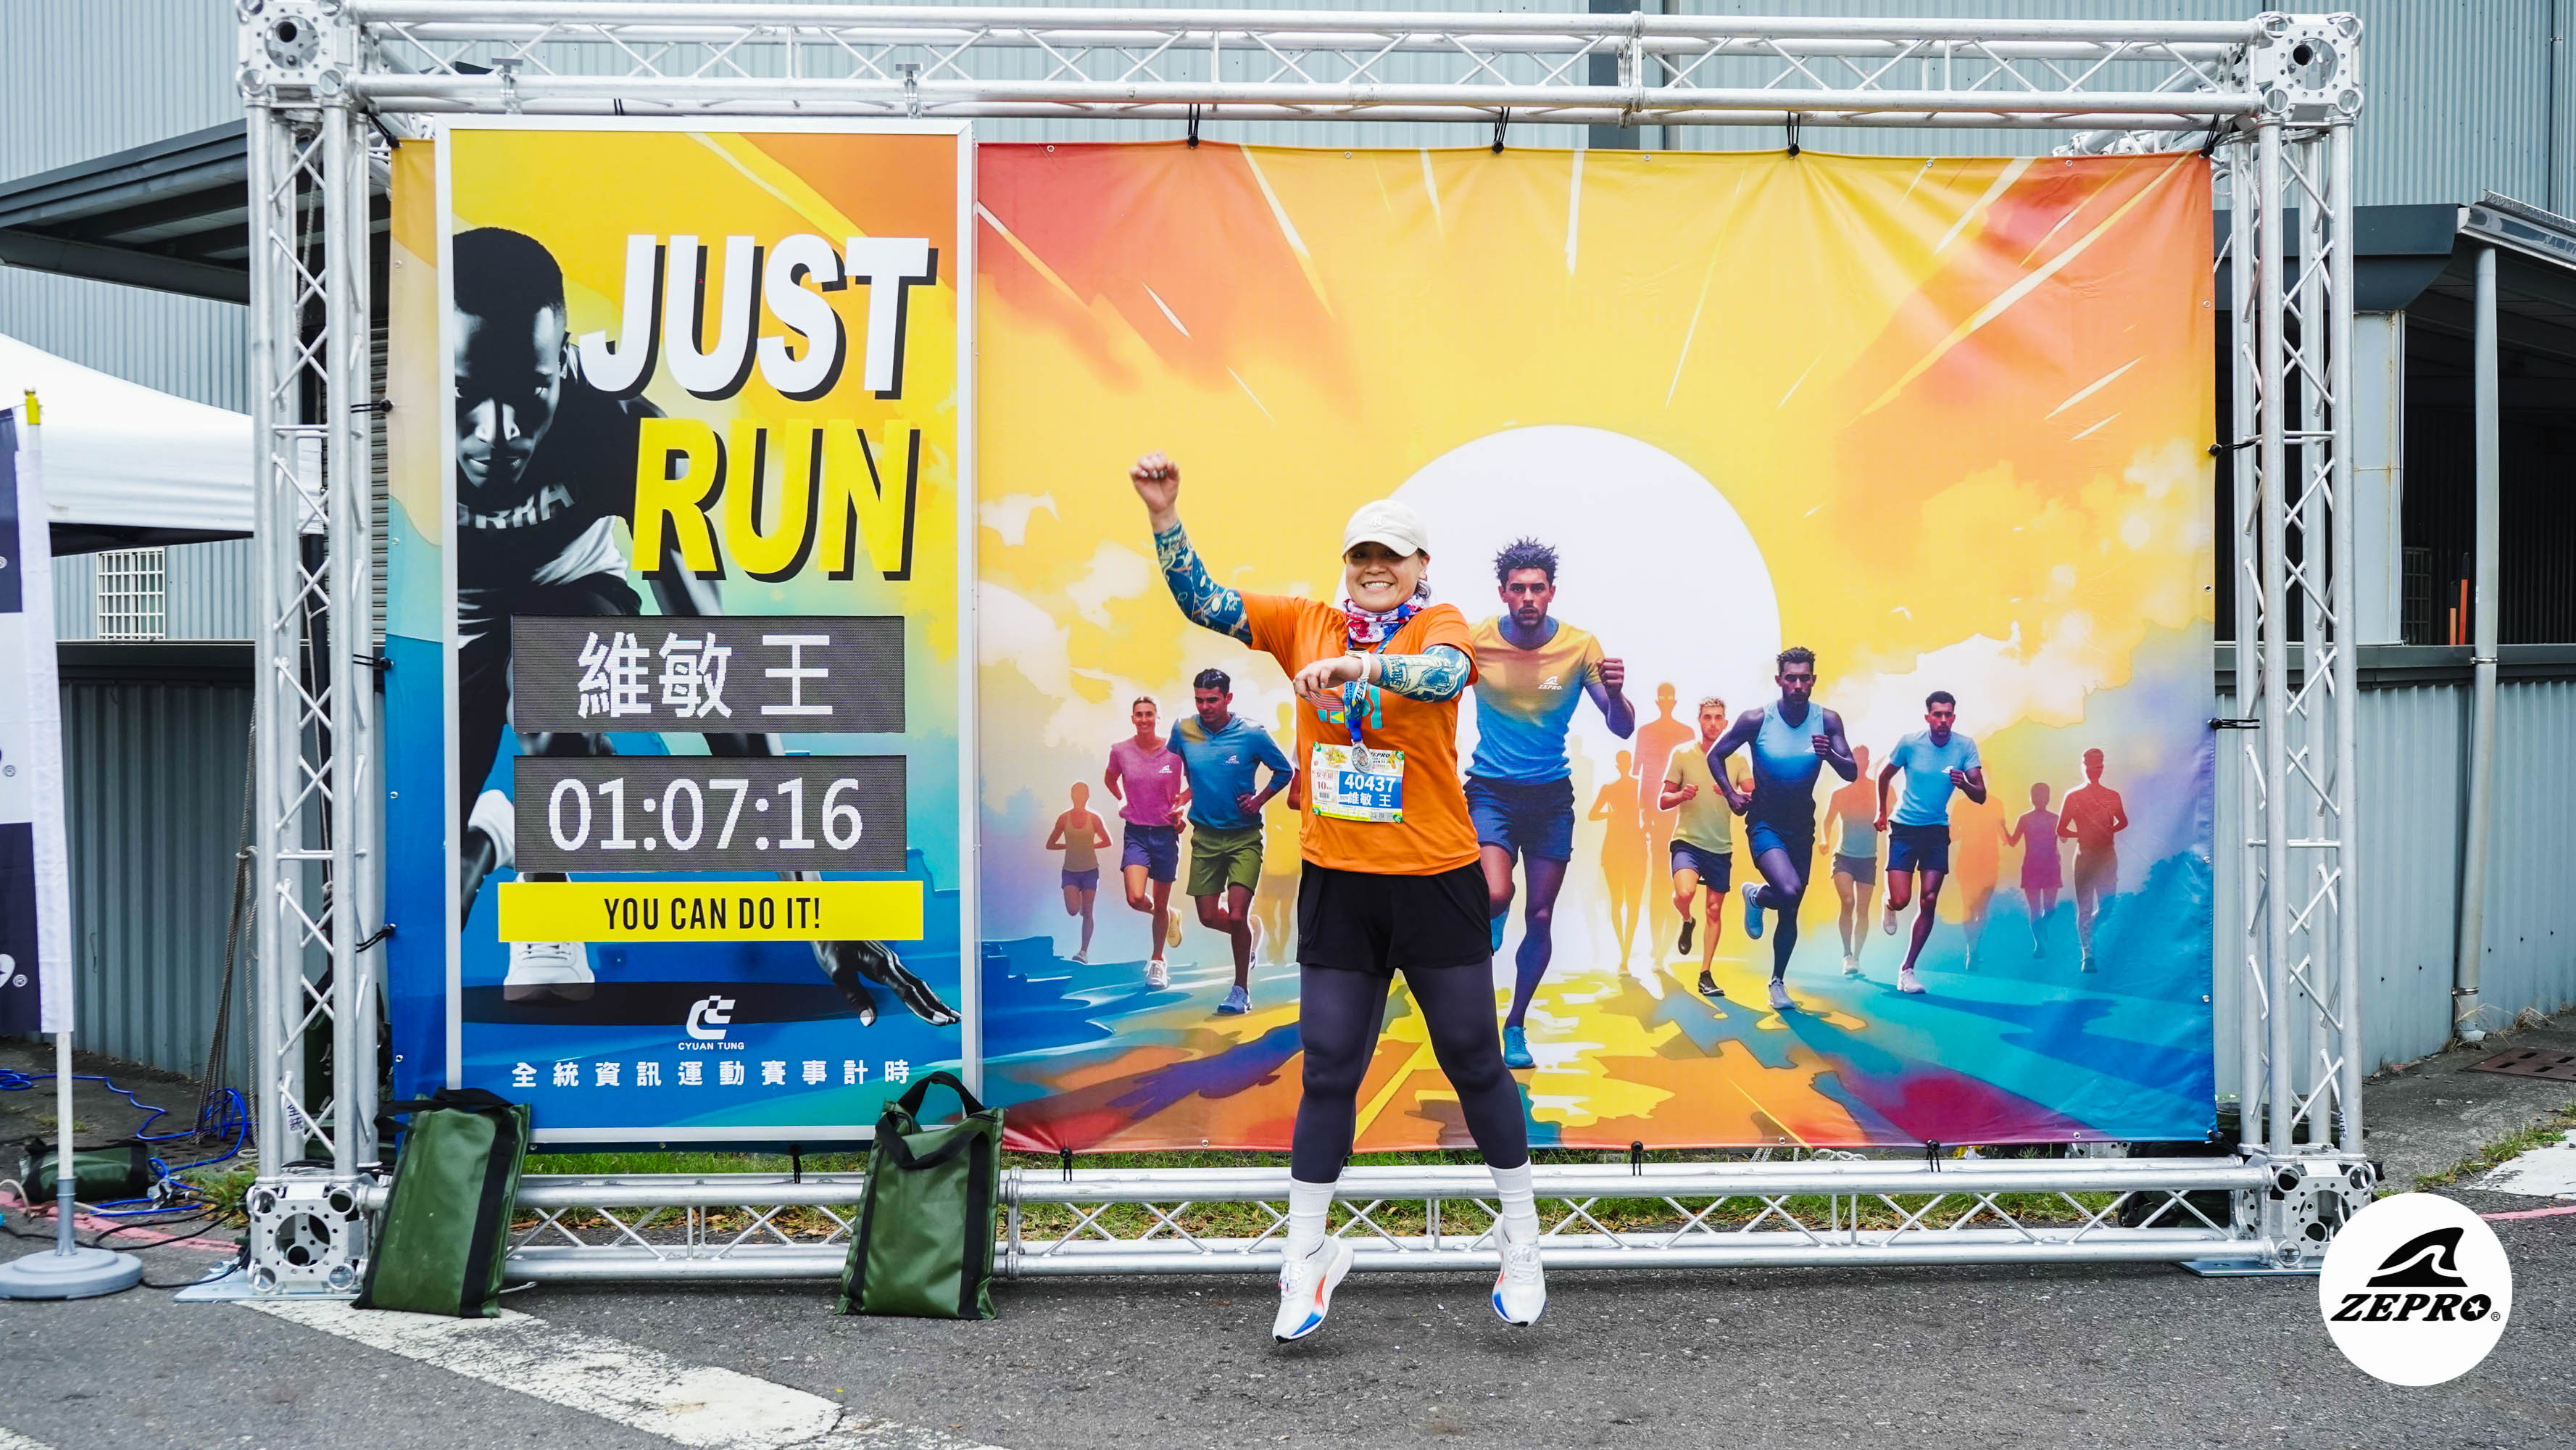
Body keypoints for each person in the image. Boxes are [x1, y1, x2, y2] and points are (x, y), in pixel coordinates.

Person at [446, 227, 952, 1026]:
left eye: (529, 390)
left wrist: (814, 906)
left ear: (564, 361)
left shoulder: (622, 430)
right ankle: (500, 830)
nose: (497, 431)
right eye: (464, 394)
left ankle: (546, 894)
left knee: (553, 679)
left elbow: (714, 664)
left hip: (573, 590)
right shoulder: (407, 440)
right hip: (466, 621)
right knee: (441, 877)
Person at [1133, 451, 1544, 1340]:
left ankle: (1520, 1239)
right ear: (1345, 561)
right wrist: (1165, 516)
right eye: (1361, 553)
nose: (1373, 567)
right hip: (1339, 884)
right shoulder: (1304, 622)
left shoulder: (1439, 621)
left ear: (1420, 565)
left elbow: (1443, 674)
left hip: (1433, 880)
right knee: (1326, 1068)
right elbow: (1204, 601)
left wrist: (1360, 672)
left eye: (1390, 555)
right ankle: (1306, 1257)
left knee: (1474, 1059)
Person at [1467, 539, 1634, 1070]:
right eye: (1518, 589)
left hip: (1550, 798)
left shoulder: (1581, 647)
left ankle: (1515, 1023)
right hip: (1491, 790)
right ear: (1503, 593)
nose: (1528, 598)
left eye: (1537, 589)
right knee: (1496, 891)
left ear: (1551, 592)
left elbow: (1621, 727)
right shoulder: (1475, 640)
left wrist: (1618, 692)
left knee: (1540, 916)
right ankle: (1492, 915)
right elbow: (1432, 694)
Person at [1709, 647, 1857, 1014]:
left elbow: (1851, 771)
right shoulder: (1756, 719)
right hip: (1765, 822)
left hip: (1801, 826)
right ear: (1779, 680)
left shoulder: (1828, 721)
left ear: (1813, 680)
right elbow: (1716, 755)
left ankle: (1776, 979)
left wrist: (1829, 754)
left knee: (1791, 906)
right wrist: (1731, 794)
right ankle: (1761, 899)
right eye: (1791, 678)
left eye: (1805, 678)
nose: (1798, 685)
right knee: (1789, 890)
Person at [1169, 668, 1297, 1014]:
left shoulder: (1252, 733)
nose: (1205, 707)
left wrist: (1259, 800)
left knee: (1238, 915)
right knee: (1209, 917)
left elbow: (1284, 771)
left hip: (1244, 838)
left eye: (1212, 700)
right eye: (1199, 700)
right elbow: (1174, 769)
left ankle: (1240, 991)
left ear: (1228, 698)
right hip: (1205, 838)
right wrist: (1180, 802)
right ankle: (1249, 936)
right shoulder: (1183, 730)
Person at [1874, 690, 1986, 995]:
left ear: (1954, 717)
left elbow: (1981, 795)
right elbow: (1884, 776)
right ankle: (1889, 903)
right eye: (1938, 715)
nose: (1943, 720)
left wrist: (1964, 783)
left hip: (1936, 830)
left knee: (1929, 899)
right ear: (1928, 717)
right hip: (1904, 828)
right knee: (1901, 900)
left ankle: (1907, 969)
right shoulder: (1910, 743)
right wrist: (1881, 811)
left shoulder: (1965, 746)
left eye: (1948, 715)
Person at [1659, 696, 1742, 1000]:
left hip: (1720, 846)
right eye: (1707, 717)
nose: (1712, 723)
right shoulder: (1682, 754)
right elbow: (1663, 800)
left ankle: (1705, 974)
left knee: (1714, 910)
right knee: (1685, 894)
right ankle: (1687, 920)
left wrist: (1731, 792)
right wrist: (1682, 795)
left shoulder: (1737, 759)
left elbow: (1753, 797)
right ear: (1699, 721)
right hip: (1688, 841)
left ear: (1726, 723)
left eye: (1718, 717)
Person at [1105, 697, 1189, 989]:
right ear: (1132, 718)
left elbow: (1195, 782)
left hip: (1166, 834)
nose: (1144, 719)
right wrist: (1122, 799)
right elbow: (1110, 779)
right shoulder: (1120, 751)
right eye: (1139, 715)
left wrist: (1181, 806)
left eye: (1149, 714)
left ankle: (1157, 961)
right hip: (1137, 833)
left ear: (1157, 717)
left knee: (1160, 901)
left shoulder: (1174, 752)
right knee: (1136, 898)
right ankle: (1168, 915)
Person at [1632, 683, 1696, 970]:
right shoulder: (1646, 733)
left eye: (1671, 696)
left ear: (1675, 700)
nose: (1667, 700)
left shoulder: (1687, 733)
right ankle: (1657, 946)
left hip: (1683, 816)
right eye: (1663, 696)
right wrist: (1644, 814)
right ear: (1658, 701)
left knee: (1679, 881)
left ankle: (1665, 946)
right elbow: (1642, 776)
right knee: (1659, 881)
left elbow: (1696, 774)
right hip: (1657, 818)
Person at [2057, 749, 2130, 972]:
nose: (2093, 770)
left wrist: (2109, 829)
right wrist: (2082, 833)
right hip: (2085, 856)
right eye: (2089, 765)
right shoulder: (2074, 797)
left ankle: (2091, 933)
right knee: (2085, 907)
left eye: (2097, 765)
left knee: (2108, 906)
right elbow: (2061, 829)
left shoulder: (2112, 796)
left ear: (2102, 768)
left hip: (2107, 855)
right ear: (2083, 767)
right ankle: (2087, 955)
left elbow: (2123, 821)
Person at [1587, 750, 1648, 971]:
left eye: (1625, 763)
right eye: (1622, 763)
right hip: (1617, 849)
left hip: (1633, 848)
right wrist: (1610, 815)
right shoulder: (1611, 788)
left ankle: (1626, 951)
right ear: (1621, 765)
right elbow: (1592, 815)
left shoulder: (1636, 787)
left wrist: (1645, 828)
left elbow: (1649, 812)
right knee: (1619, 901)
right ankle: (1624, 950)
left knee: (1629, 902)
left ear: (1626, 764)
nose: (1624, 766)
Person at [1820, 743, 1878, 977]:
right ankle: (1846, 954)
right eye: (1856, 759)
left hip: (1868, 858)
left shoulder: (1878, 791)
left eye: (1864, 759)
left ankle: (1857, 958)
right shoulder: (1840, 793)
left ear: (1868, 762)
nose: (1860, 763)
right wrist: (1824, 840)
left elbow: (1894, 815)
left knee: (1863, 910)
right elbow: (1827, 821)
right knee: (1848, 901)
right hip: (1844, 856)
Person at [1044, 782, 1113, 964]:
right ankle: (1080, 901)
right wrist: (1069, 845)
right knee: (1073, 911)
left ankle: (1083, 952)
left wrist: (1089, 846)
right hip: (1070, 871)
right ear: (1072, 796)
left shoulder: (1094, 819)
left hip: (1090, 870)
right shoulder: (1063, 819)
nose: (1080, 797)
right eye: (1077, 793)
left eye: (1083, 793)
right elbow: (1050, 844)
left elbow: (1107, 841)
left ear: (1087, 796)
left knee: (1088, 911)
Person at [2004, 782, 2063, 958]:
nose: (2040, 799)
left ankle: (2042, 928)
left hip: (2051, 866)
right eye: (2037, 795)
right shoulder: (2025, 819)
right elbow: (2013, 842)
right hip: (2032, 866)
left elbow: (2064, 838)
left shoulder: (2056, 819)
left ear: (2048, 798)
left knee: (2050, 909)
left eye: (2043, 795)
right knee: (2035, 909)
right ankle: (2039, 944)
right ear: (2032, 798)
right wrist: (2003, 828)